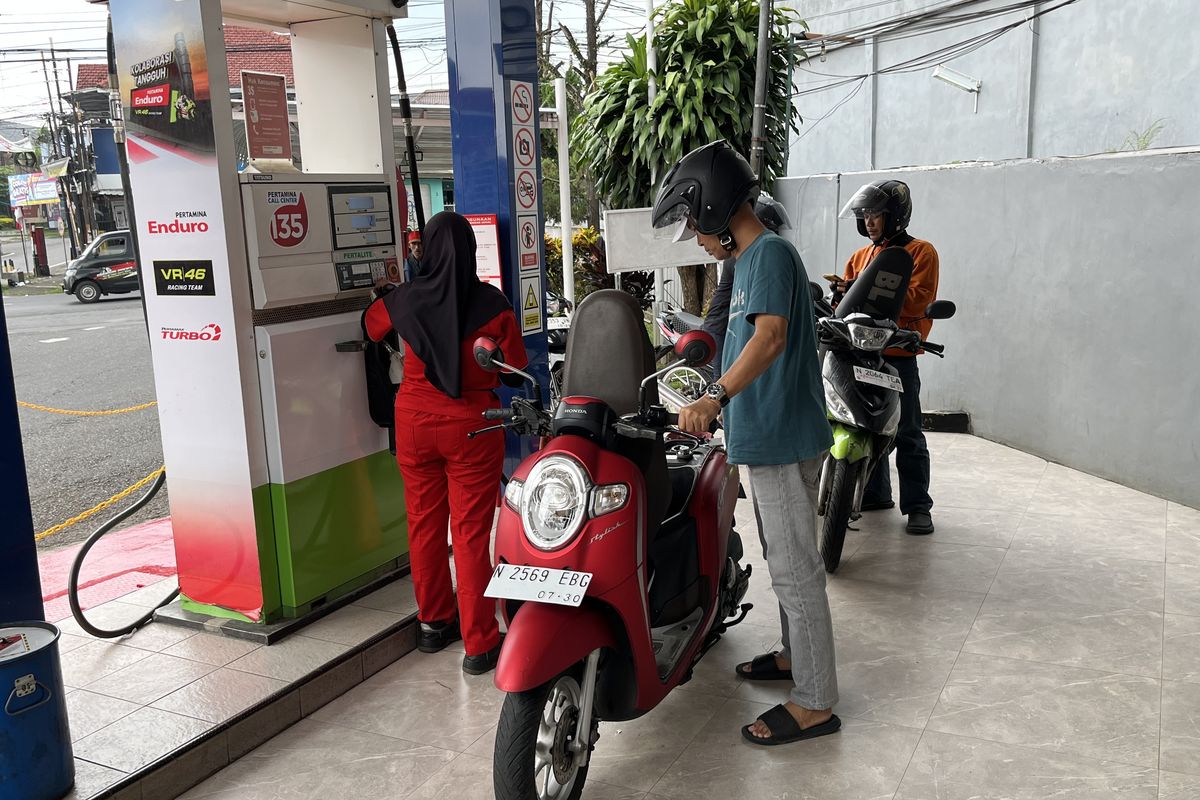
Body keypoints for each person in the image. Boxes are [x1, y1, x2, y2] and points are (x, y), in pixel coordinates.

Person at [655, 140, 839, 746]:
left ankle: (815, 701)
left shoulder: (770, 255)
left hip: (783, 439)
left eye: (695, 225)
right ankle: (793, 654)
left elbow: (770, 339)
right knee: (784, 562)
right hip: (765, 438)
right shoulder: (749, 263)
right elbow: (740, 344)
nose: (697, 239)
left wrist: (715, 399)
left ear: (713, 208)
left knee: (795, 571)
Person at [364, 211, 527, 675]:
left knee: (424, 525)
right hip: (472, 426)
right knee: (471, 534)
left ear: (427, 251)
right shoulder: (492, 304)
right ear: (471, 252)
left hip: (414, 422)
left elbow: (372, 327)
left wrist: (389, 293)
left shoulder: (404, 299)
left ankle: (433, 624)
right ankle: (479, 644)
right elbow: (514, 369)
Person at [834, 180, 940, 535]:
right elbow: (847, 306)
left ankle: (918, 507)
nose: (869, 222)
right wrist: (841, 293)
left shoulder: (921, 252)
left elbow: (917, 299)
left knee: (907, 431)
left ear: (895, 216)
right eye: (865, 215)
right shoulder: (858, 258)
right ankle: (875, 493)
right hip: (859, 352)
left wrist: (863, 289)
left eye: (876, 214)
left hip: (898, 356)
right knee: (861, 420)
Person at [701, 192, 792, 378]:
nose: (699, 242)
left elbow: (770, 338)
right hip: (719, 327)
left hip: (732, 328)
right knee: (721, 378)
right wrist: (718, 392)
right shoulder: (740, 260)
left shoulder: (767, 252)